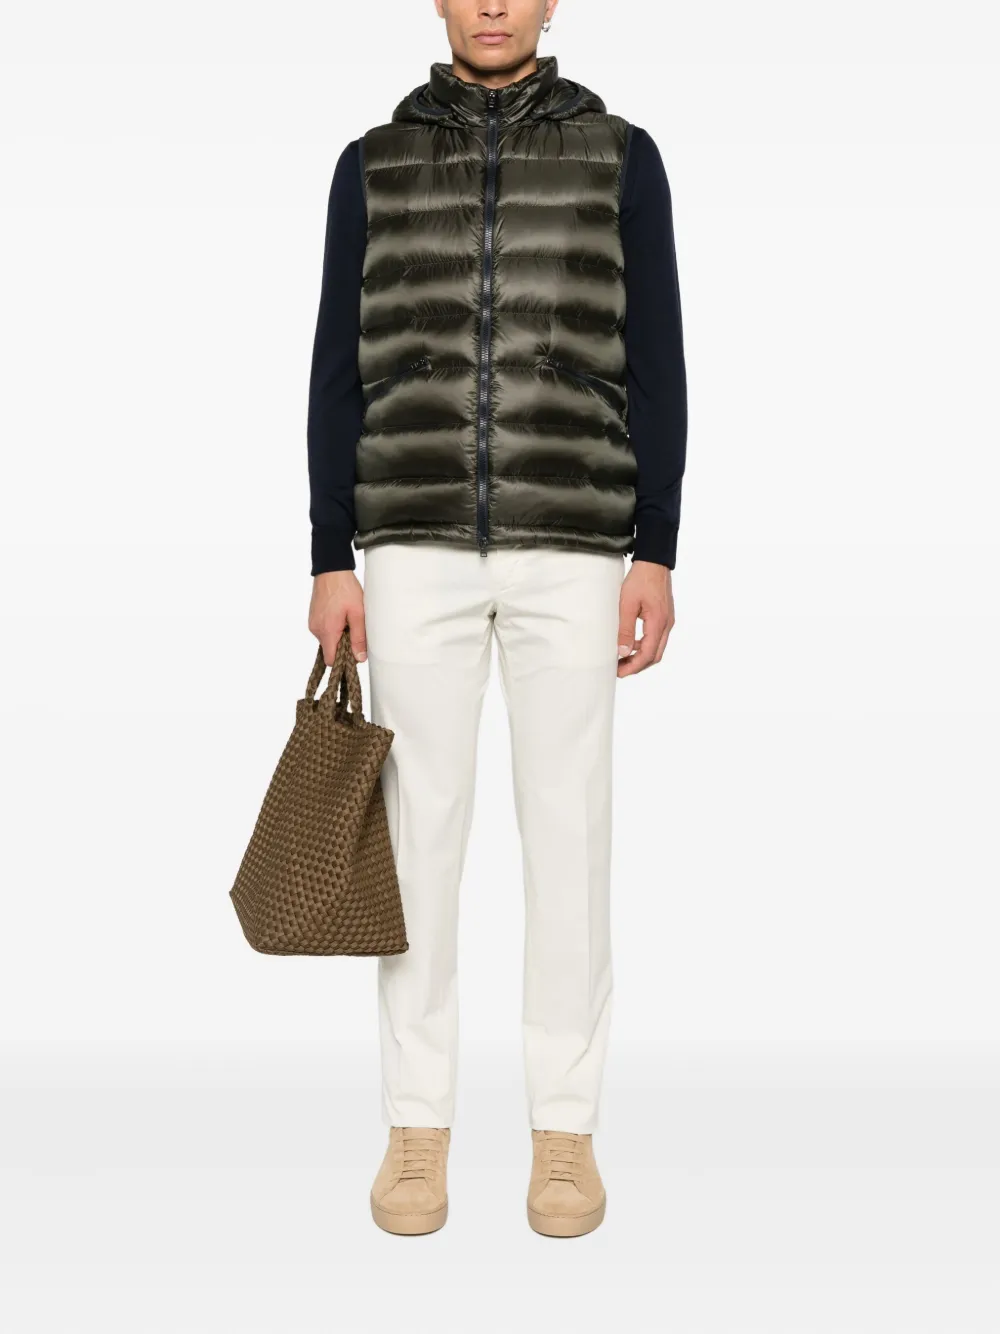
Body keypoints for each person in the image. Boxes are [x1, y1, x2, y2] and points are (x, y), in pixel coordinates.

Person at [305, 0, 687, 1238]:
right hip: (409, 544)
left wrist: (655, 544)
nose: (490, 4)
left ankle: (564, 1131)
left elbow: (657, 357)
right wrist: (328, 555)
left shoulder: (621, 156)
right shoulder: (372, 163)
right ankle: (415, 1128)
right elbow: (334, 366)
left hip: (572, 544)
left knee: (568, 836)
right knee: (416, 842)